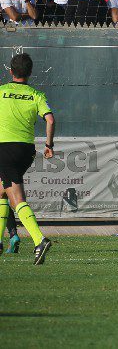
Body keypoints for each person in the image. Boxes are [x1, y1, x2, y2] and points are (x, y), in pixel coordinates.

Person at [0, 53, 55, 263]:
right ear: (30, 73)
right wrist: (49, 145)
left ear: (10, 71)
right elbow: (50, 119)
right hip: (25, 151)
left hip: (4, 148)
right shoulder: (36, 94)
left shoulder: (2, 91)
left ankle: (39, 239)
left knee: (17, 199)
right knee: (2, 192)